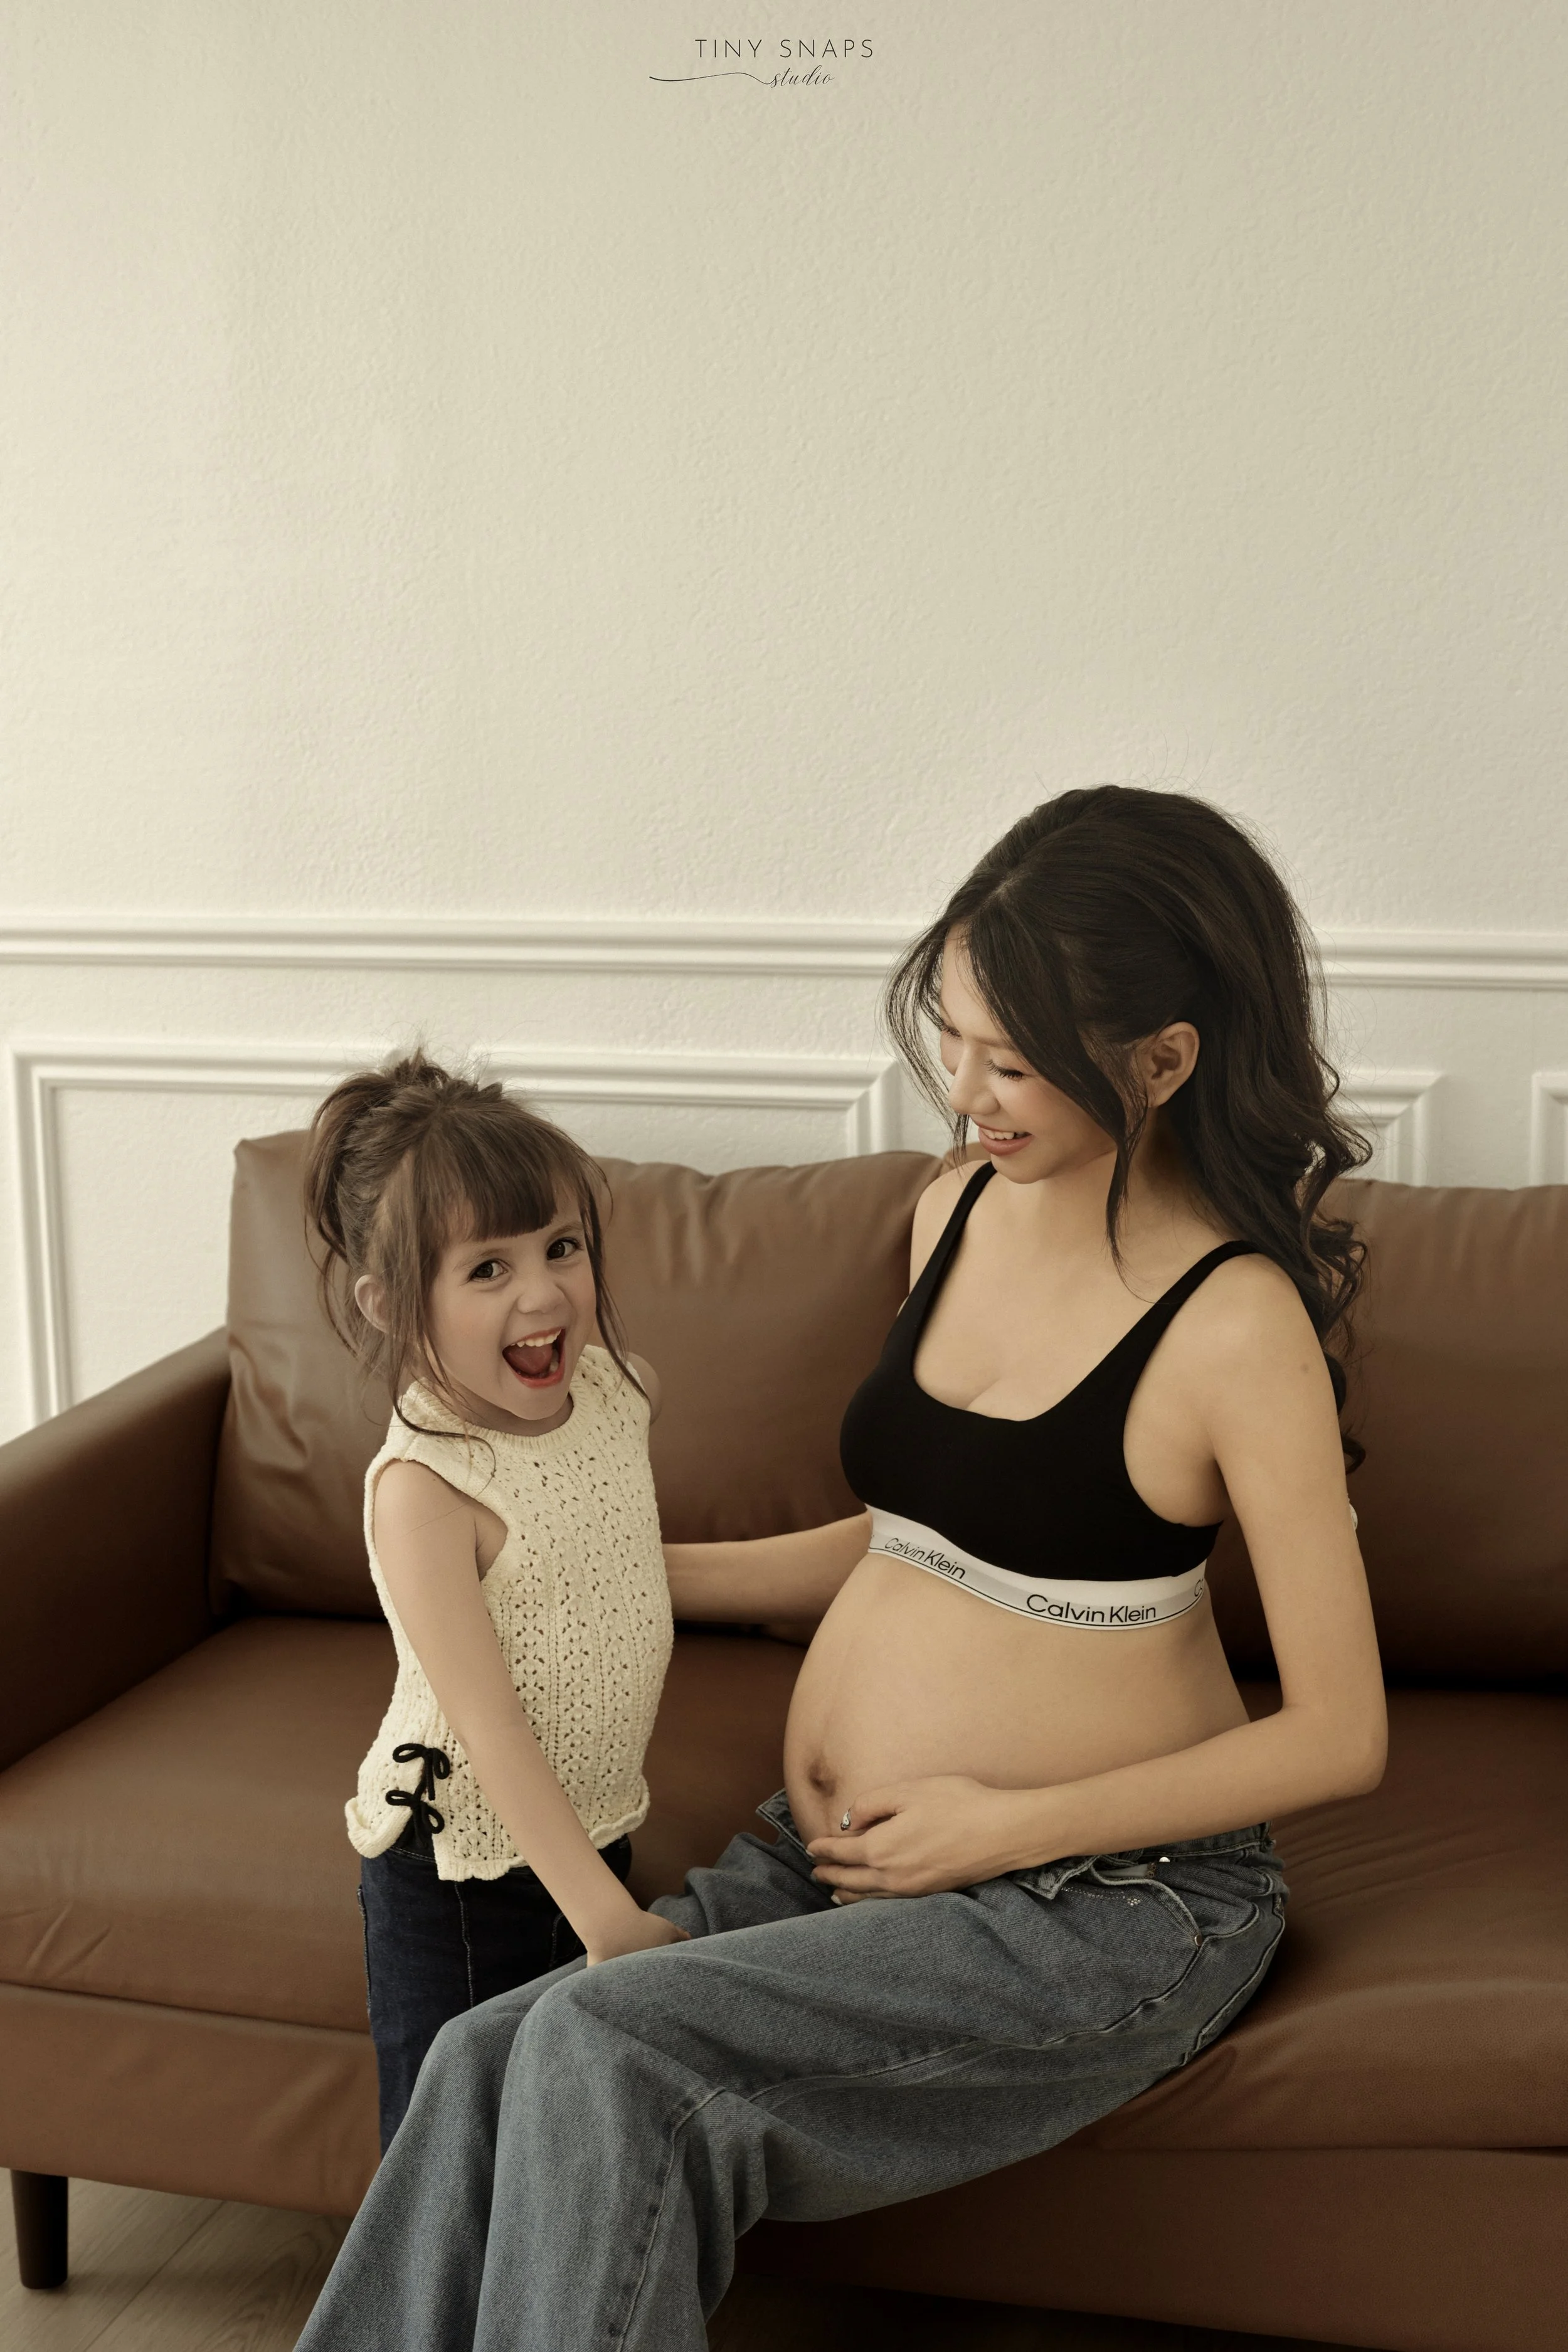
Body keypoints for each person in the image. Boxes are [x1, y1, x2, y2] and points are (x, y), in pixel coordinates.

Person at [297, 788, 1387, 2352]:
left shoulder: (1235, 1326)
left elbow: (1340, 1734)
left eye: (1012, 1062)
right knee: (485, 2052)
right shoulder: (954, 1213)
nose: (964, 1094)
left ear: (1159, 1059)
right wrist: (574, 1565)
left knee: (603, 2047)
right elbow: (917, 1544)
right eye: (950, 1036)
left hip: (1103, 1900)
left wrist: (997, 1825)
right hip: (848, 1856)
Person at [305, 1054, 685, 2151]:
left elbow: (628, 1567)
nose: (544, 1293)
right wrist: (604, 1919)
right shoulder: (425, 1487)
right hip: (457, 1871)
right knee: (451, 2162)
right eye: (486, 1269)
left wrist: (880, 1546)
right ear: (391, 1302)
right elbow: (490, 1723)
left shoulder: (618, 1392)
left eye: (562, 1246)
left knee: (561, 2150)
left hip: (591, 1832)